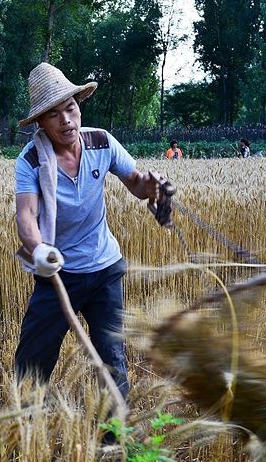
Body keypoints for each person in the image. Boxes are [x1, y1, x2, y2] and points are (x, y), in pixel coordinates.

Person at [12, 62, 160, 401]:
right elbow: (26, 215)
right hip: (57, 271)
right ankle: (23, 430)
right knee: (32, 360)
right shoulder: (31, 160)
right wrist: (38, 251)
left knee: (111, 359)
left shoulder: (101, 142)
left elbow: (136, 183)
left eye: (70, 108)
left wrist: (151, 187)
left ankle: (115, 443)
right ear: (41, 122)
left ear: (79, 107)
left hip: (105, 268)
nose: (66, 120)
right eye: (54, 114)